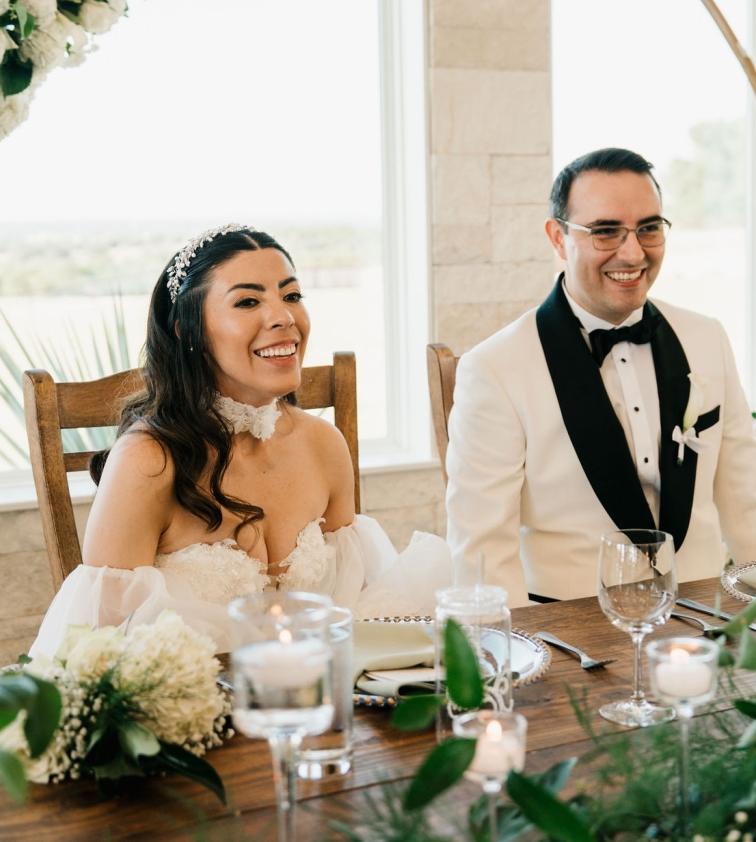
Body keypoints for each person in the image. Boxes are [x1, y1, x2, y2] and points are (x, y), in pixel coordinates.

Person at [30, 225, 450, 657]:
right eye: (248, 301)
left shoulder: (324, 444)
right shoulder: (147, 461)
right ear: (184, 330)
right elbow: (100, 651)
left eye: (291, 296)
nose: (284, 317)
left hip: (315, 705)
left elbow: (356, 610)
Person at [443, 148, 756, 601]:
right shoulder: (494, 368)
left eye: (648, 228)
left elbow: (752, 498)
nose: (632, 252)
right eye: (606, 231)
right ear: (557, 238)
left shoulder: (707, 338)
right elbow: (482, 553)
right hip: (572, 636)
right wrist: (523, 660)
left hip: (703, 620)